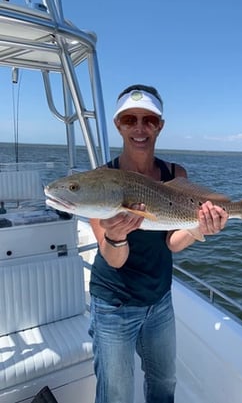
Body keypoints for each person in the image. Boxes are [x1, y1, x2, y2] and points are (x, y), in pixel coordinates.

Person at [88, 84, 229, 403]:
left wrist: (199, 227)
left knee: (164, 385)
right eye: (130, 120)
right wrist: (116, 234)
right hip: (114, 305)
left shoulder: (174, 173)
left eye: (149, 120)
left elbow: (174, 244)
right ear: (118, 125)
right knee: (116, 395)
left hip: (159, 300)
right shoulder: (99, 182)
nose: (140, 128)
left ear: (160, 126)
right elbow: (114, 259)